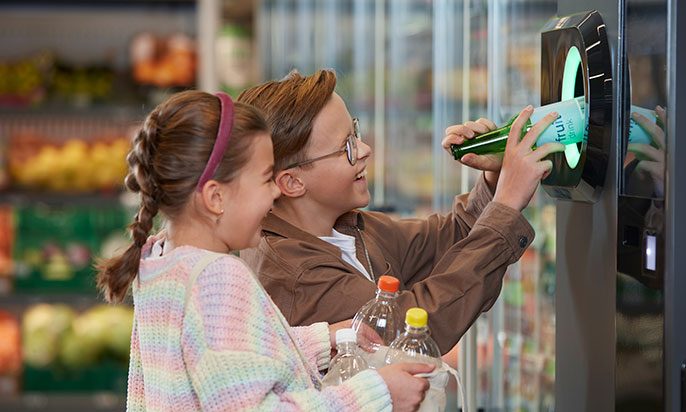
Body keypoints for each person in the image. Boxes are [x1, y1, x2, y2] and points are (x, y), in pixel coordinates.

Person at [96, 90, 433, 411]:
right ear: (216, 198)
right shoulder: (217, 279)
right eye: (266, 179)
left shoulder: (161, 261)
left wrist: (324, 339)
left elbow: (226, 365)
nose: (276, 193)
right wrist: (377, 394)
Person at [237, 69, 565, 354]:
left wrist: (494, 180)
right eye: (346, 148)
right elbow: (414, 324)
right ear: (292, 182)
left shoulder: (344, 228)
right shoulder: (297, 276)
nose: (365, 150)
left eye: (356, 133)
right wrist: (506, 204)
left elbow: (446, 242)